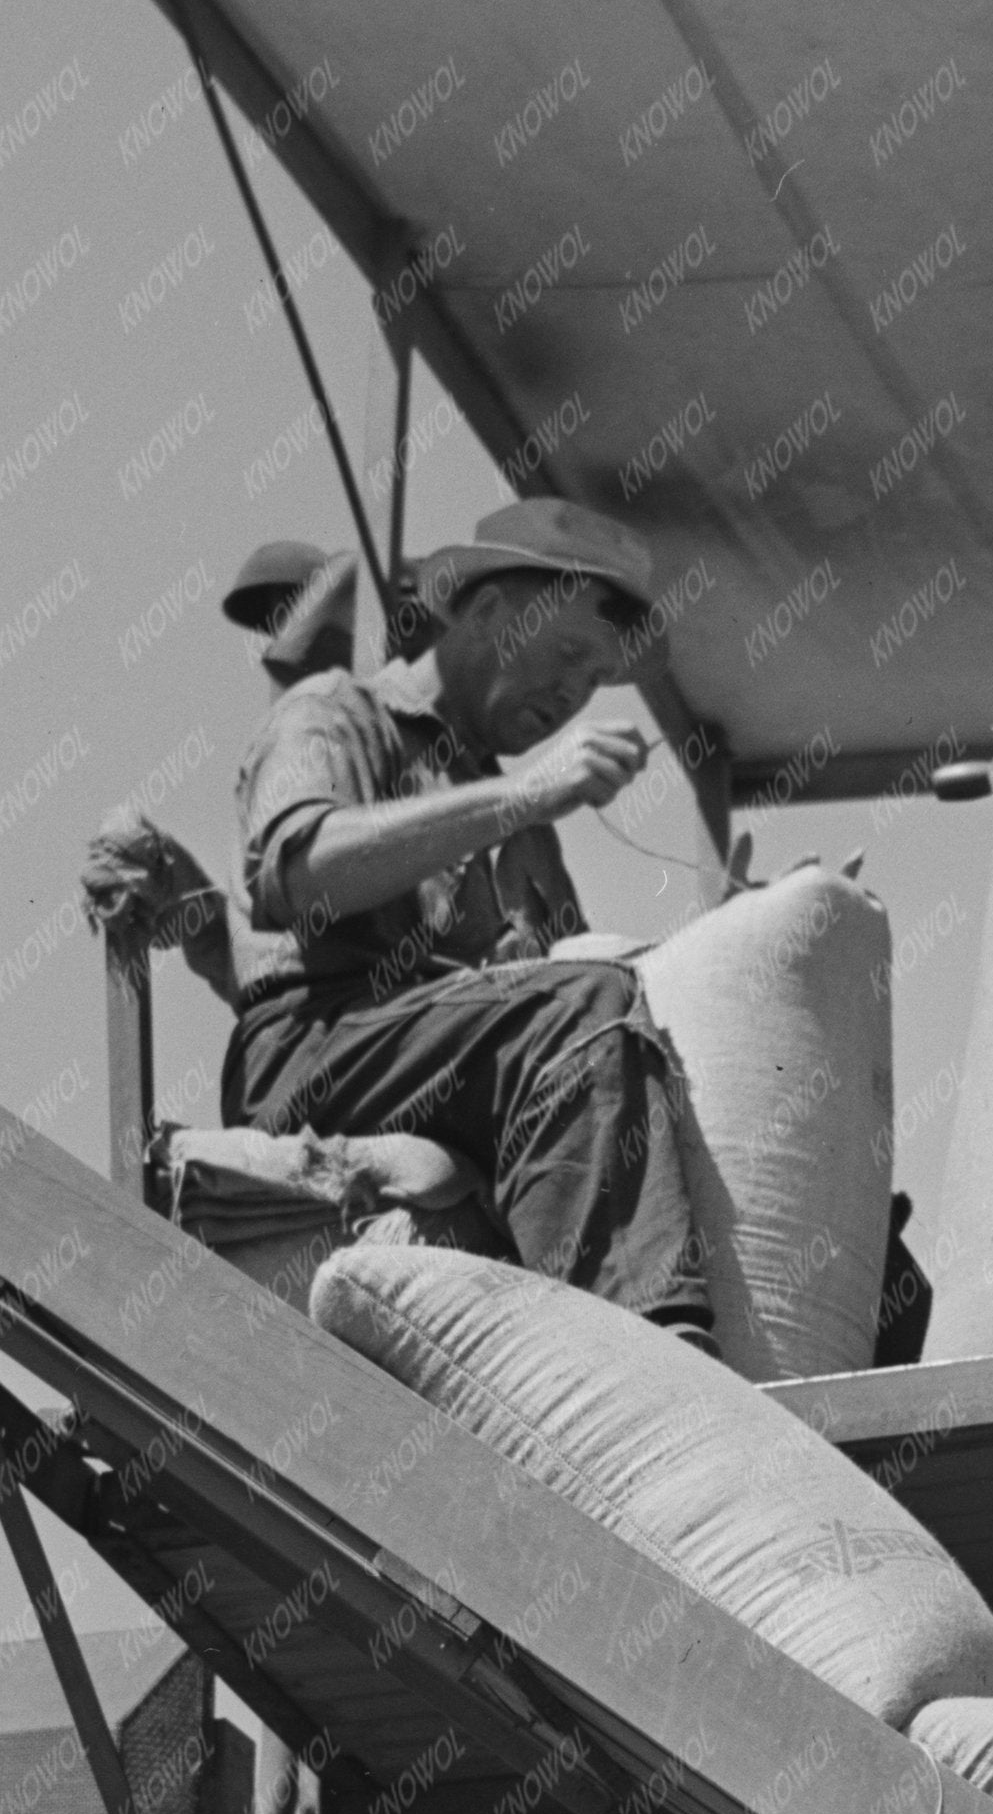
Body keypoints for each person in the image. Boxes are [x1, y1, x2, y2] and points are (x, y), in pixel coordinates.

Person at [222, 500, 716, 1340]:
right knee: (585, 1006)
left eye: (595, 677)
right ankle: (649, 1347)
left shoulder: (529, 834)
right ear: (485, 613)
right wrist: (520, 795)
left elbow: (580, 1021)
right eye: (566, 653)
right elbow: (300, 872)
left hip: (459, 1071)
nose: (572, 693)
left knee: (654, 1038)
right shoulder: (339, 712)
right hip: (320, 1046)